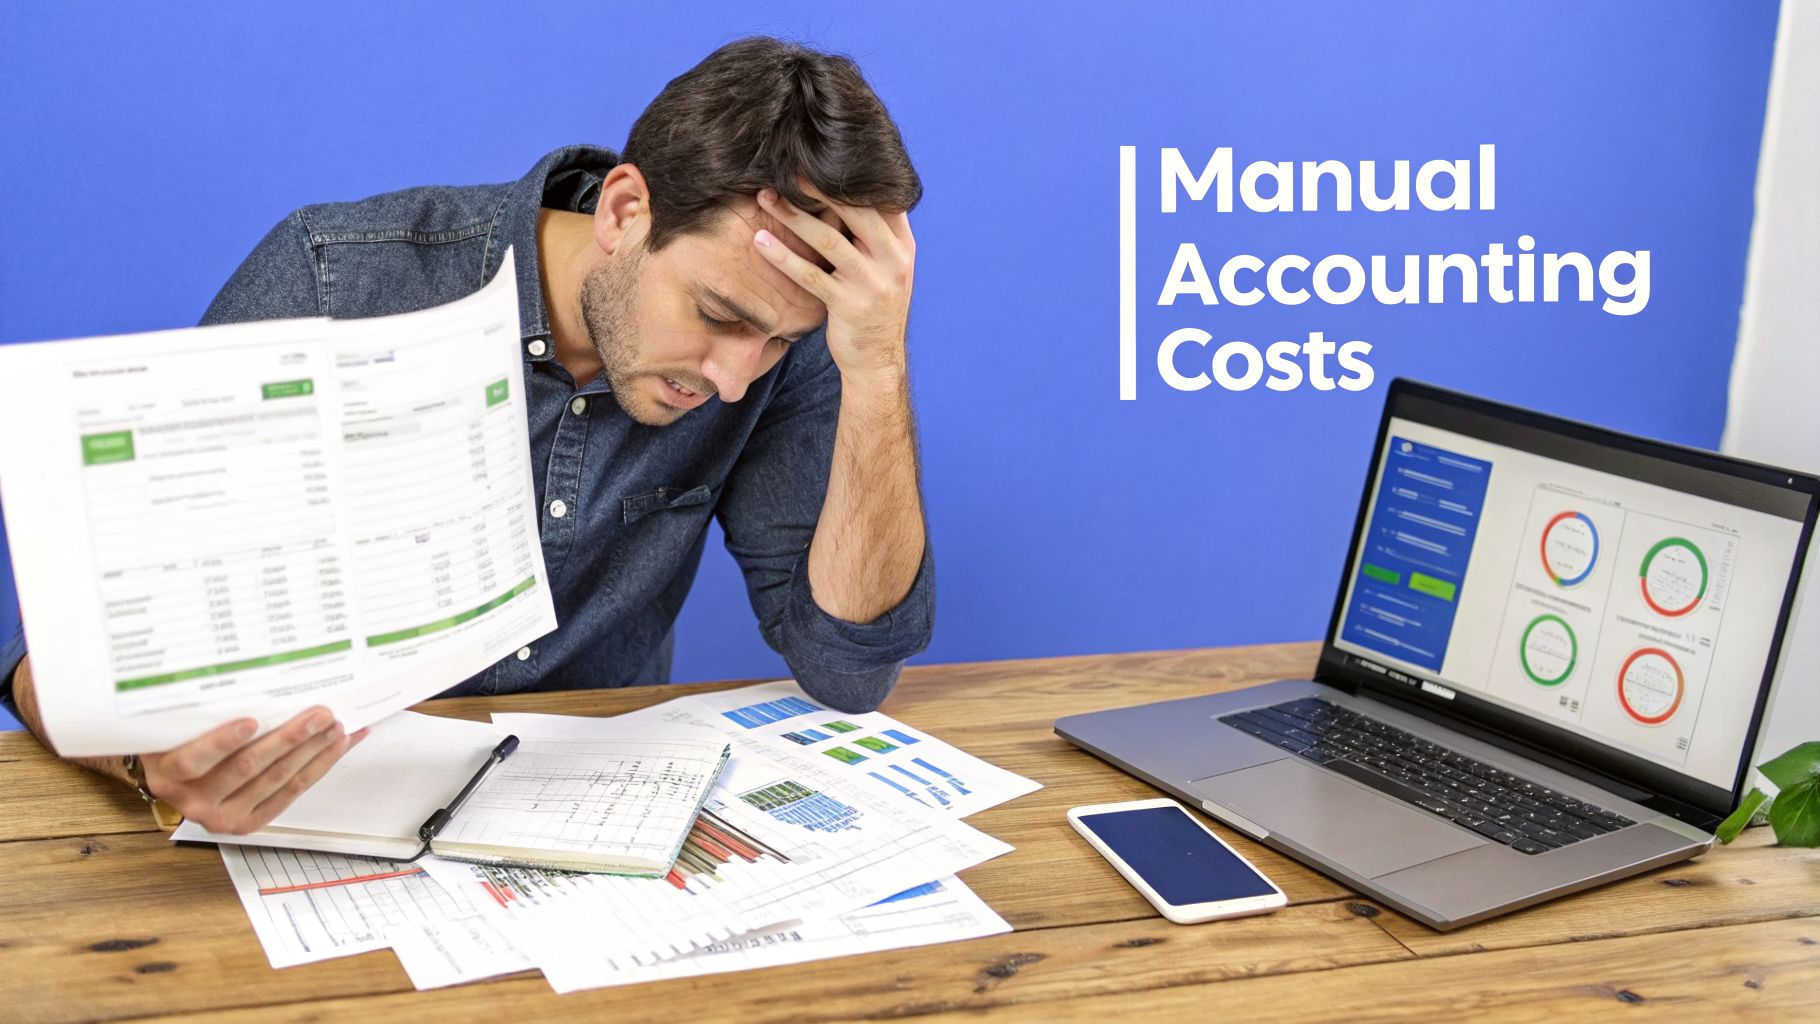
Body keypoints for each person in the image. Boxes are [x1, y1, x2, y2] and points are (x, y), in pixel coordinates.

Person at [0, 37, 932, 835]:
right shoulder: (336, 285)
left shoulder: (782, 352)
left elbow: (846, 668)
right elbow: (53, 656)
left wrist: (876, 366)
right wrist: (145, 764)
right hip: (303, 827)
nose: (735, 376)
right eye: (718, 313)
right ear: (622, 211)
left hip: (584, 840)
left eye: (777, 340)